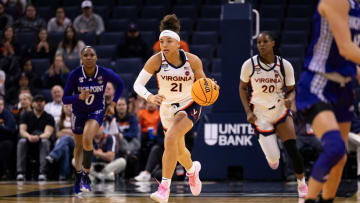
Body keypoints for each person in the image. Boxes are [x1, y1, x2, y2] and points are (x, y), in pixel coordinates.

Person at [133, 14, 205, 202]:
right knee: (179, 151)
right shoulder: (156, 60)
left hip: (190, 105)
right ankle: (192, 170)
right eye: (161, 41)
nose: (164, 45)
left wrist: (208, 87)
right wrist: (150, 96)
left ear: (178, 44)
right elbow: (137, 85)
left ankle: (164, 188)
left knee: (171, 138)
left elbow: (203, 83)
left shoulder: (193, 61)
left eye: (169, 41)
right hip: (167, 109)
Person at [295, 0, 360, 202]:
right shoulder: (335, 1)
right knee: (335, 148)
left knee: (340, 159)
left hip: (344, 87)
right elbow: (346, 49)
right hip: (318, 83)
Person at [239, 31, 308, 198]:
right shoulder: (249, 65)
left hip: (279, 110)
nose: (261, 44)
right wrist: (248, 112)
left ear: (273, 44)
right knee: (274, 160)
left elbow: (292, 91)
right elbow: (242, 88)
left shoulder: (285, 66)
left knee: (292, 147)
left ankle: (302, 184)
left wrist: (290, 100)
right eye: (259, 42)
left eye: (265, 41)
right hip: (260, 114)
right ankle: (273, 157)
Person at [62, 46, 124, 194]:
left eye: (92, 55)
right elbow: (65, 98)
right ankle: (78, 177)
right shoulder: (75, 74)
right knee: (78, 147)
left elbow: (120, 84)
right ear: (81, 59)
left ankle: (86, 175)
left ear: (96, 57)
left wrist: (113, 103)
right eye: (86, 55)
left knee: (87, 138)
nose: (89, 57)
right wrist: (78, 97)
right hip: (78, 112)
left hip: (96, 111)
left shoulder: (103, 72)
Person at [16, 94, 55, 181]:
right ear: (33, 103)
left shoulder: (49, 117)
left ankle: (43, 172)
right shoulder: (25, 115)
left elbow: (48, 133)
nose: (39, 103)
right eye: (37, 102)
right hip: (28, 140)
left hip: (41, 140)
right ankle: (20, 172)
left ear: (44, 103)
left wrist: (38, 137)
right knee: (22, 141)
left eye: (41, 102)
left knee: (45, 142)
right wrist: (29, 136)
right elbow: (22, 131)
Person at [45, 104, 74, 181]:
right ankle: (63, 175)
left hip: (75, 144)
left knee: (66, 138)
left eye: (71, 106)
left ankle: (53, 155)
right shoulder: (58, 121)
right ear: (62, 109)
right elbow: (57, 134)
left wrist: (64, 131)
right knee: (65, 148)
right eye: (66, 106)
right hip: (62, 144)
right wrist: (69, 132)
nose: (69, 108)